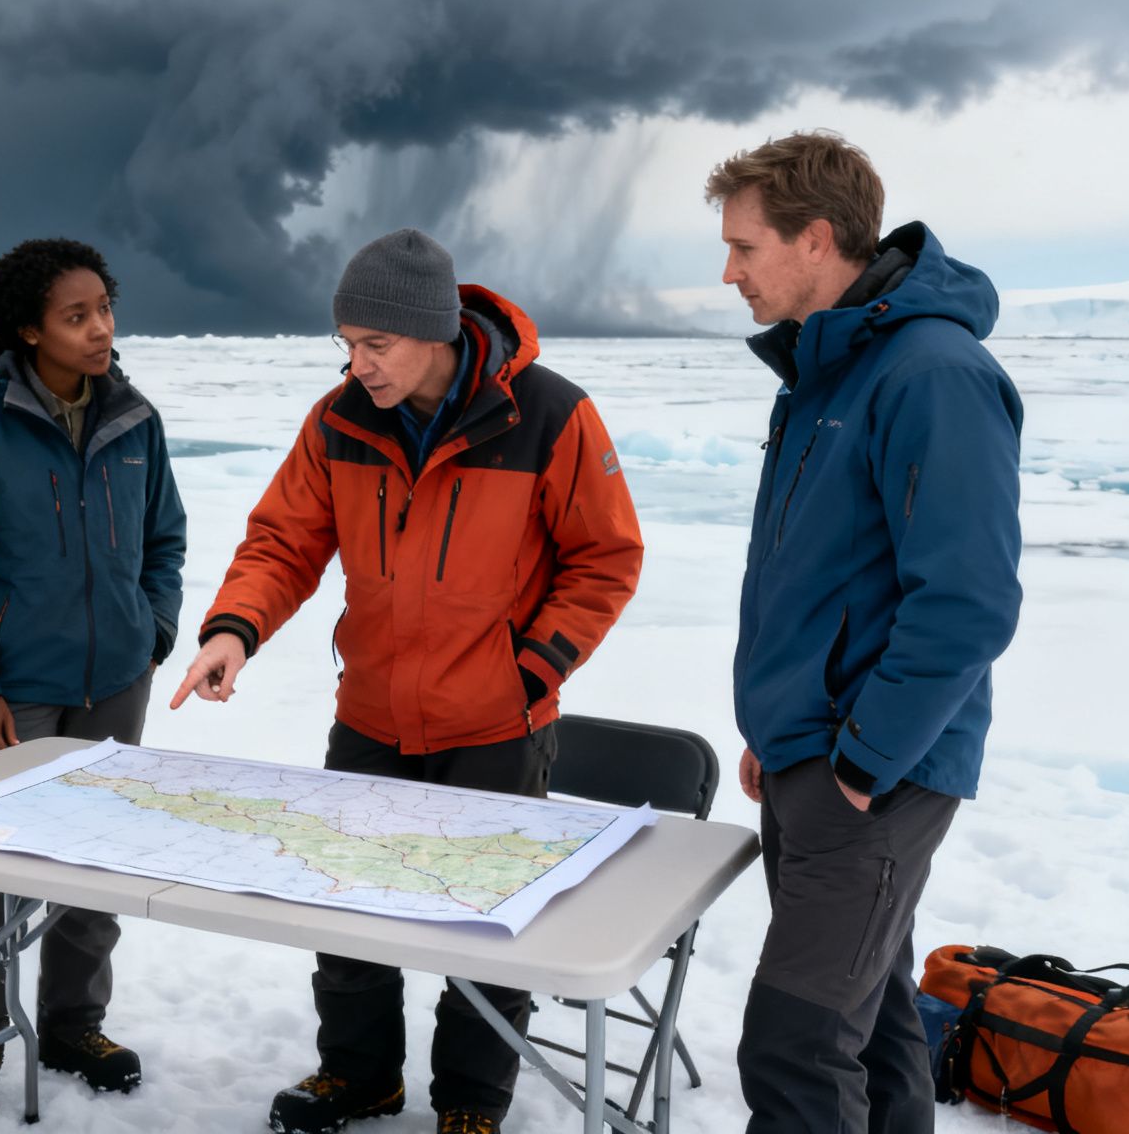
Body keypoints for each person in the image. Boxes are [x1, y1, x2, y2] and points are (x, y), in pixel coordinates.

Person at [171, 228, 643, 1134]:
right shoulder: (340, 419)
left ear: (435, 334)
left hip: (498, 723)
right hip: (374, 715)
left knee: (488, 926)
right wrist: (235, 628)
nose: (359, 364)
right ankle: (359, 1075)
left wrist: (530, 671)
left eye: (375, 345)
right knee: (343, 904)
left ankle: (471, 1098)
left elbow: (605, 558)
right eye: (346, 344)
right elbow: (285, 540)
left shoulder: (549, 415)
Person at [707, 130, 1023, 1132]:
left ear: (812, 239)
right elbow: (821, 576)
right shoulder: (827, 374)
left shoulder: (928, 373)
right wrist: (782, 730)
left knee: (796, 1043)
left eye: (743, 247)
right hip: (817, 752)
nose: (727, 273)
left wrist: (861, 757)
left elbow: (965, 597)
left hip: (876, 769)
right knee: (874, 1019)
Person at [0, 237, 186, 1121]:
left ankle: (73, 1023)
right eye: (77, 316)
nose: (101, 328)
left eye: (105, 308)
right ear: (28, 330)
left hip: (115, 683)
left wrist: (155, 629)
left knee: (95, 868)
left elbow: (165, 540)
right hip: (14, 692)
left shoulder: (136, 419)